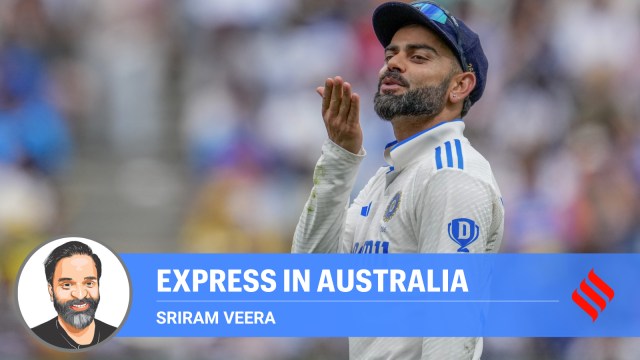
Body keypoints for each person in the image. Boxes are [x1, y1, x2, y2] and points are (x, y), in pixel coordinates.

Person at [292, 1, 504, 359]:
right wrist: (340, 157)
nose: (393, 63)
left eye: (418, 57)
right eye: (391, 54)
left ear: (460, 86)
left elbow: (450, 333)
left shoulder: (451, 174)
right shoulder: (386, 179)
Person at [31, 241, 116, 349]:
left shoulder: (114, 338)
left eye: (89, 283)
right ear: (51, 290)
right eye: (67, 285)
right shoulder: (37, 336)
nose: (80, 295)